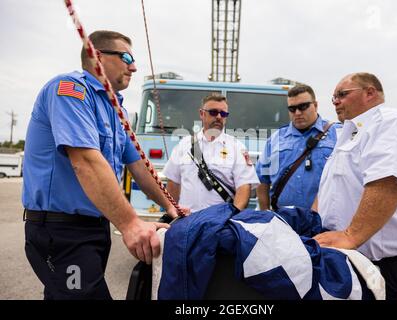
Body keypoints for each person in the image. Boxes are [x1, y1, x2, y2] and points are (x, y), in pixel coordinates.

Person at [22, 30, 188, 299]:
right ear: (96, 56)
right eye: (125, 57)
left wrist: (171, 206)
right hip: (61, 231)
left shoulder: (115, 109)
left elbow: (139, 167)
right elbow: (86, 161)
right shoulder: (70, 90)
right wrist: (131, 224)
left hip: (94, 229)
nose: (133, 67)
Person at [313, 72, 397, 299]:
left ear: (370, 92)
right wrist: (314, 222)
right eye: (333, 97)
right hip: (357, 263)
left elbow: (389, 180)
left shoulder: (391, 121)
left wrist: (351, 235)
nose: (335, 101)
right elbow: (333, 188)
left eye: (342, 94)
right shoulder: (349, 134)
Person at [163, 94, 260, 213]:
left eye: (223, 114)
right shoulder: (184, 145)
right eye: (213, 112)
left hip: (219, 223)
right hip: (187, 220)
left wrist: (232, 216)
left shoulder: (237, 148)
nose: (219, 117)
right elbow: (173, 182)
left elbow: (244, 187)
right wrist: (173, 212)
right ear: (202, 114)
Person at [255, 83, 341, 211]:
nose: (297, 113)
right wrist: (265, 212)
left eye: (303, 107)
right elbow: (262, 179)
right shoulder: (275, 139)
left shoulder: (337, 134)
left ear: (315, 105)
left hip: (323, 221)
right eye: (292, 109)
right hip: (282, 221)